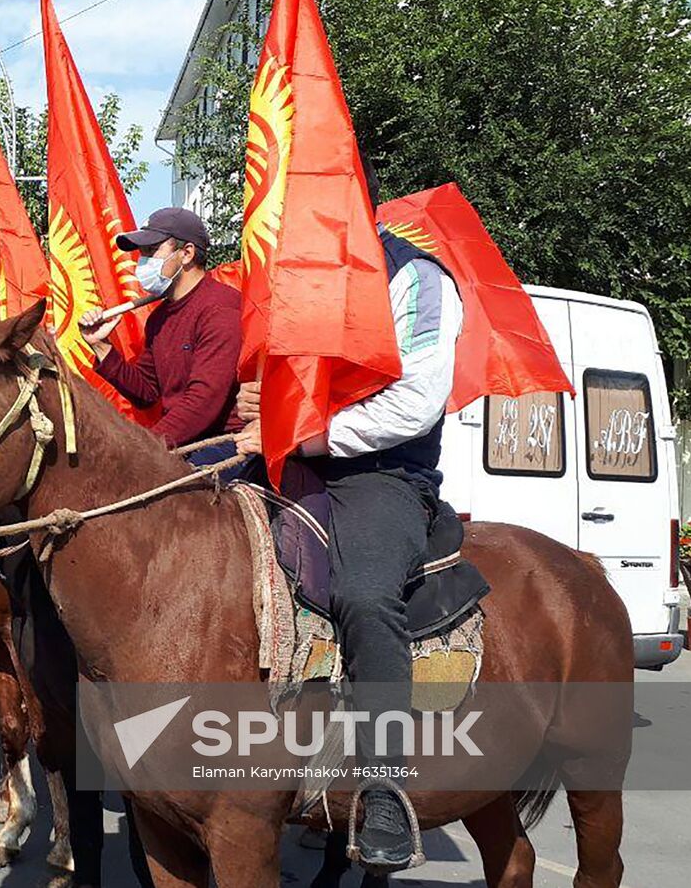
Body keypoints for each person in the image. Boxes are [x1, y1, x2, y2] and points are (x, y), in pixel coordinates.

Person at [235, 160, 464, 871]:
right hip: (294, 456)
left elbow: (416, 402)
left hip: (381, 474)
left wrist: (306, 434)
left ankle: (386, 783)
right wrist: (257, 405)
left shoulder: (417, 279)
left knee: (365, 594)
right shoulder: (302, 280)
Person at [79, 206, 251, 480]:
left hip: (226, 445)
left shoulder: (220, 309)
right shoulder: (159, 316)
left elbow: (202, 403)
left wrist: (142, 448)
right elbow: (147, 392)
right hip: (181, 443)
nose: (142, 262)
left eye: (152, 251)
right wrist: (101, 347)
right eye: (142, 253)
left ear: (187, 254)